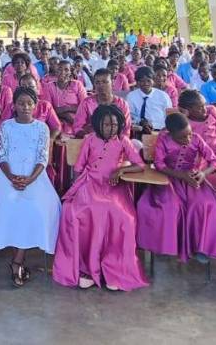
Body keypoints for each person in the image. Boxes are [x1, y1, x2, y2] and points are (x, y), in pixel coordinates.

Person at [52, 104, 149, 291]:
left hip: (113, 187)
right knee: (77, 212)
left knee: (124, 217)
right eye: (106, 125)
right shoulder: (89, 139)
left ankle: (114, 268)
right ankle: (86, 267)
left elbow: (140, 165)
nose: (111, 128)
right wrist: (77, 188)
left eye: (114, 125)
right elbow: (79, 167)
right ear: (98, 124)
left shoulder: (123, 141)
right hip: (90, 183)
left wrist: (120, 170)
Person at [0, 86, 61, 287]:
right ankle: (18, 262)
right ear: (14, 105)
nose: (25, 107)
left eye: (29, 103)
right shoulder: (6, 126)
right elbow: (1, 156)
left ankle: (17, 262)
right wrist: (11, 177)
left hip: (35, 176)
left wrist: (29, 179)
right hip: (8, 175)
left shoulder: (42, 128)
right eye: (21, 103)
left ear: (35, 106)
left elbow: (42, 158)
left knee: (35, 207)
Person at [136, 112, 216, 264]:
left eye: (189, 134)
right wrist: (181, 176)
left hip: (194, 179)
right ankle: (171, 246)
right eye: (182, 137)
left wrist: (203, 173)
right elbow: (159, 164)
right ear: (170, 133)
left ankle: (202, 247)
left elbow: (214, 161)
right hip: (170, 178)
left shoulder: (196, 138)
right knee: (171, 207)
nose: (187, 139)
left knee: (207, 205)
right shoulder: (163, 139)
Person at [73, 69, 132, 138]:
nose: (101, 85)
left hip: (116, 141)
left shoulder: (122, 104)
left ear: (112, 83)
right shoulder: (86, 103)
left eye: (105, 82)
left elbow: (126, 130)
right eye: (97, 82)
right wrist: (86, 136)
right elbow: (77, 127)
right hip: (92, 140)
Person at [41, 59, 87, 136]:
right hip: (57, 120)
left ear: (70, 72)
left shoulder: (77, 85)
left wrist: (65, 108)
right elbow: (48, 109)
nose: (62, 72)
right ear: (56, 71)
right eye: (60, 69)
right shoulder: (49, 87)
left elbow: (84, 106)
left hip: (77, 120)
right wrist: (66, 115)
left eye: (66, 70)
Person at [126, 66, 172, 137]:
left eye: (148, 80)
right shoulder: (131, 96)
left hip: (160, 130)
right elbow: (130, 116)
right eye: (142, 81)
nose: (145, 83)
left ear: (153, 80)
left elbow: (169, 115)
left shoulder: (163, 96)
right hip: (141, 131)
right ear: (137, 82)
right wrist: (140, 121)